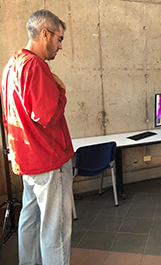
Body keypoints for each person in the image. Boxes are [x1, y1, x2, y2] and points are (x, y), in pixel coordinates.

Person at [1, 9, 74, 264]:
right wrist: (61, 89)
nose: (60, 46)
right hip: (50, 161)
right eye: (59, 38)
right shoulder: (35, 65)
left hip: (28, 161)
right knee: (56, 229)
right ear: (45, 34)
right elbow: (48, 115)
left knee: (29, 221)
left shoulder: (11, 65)